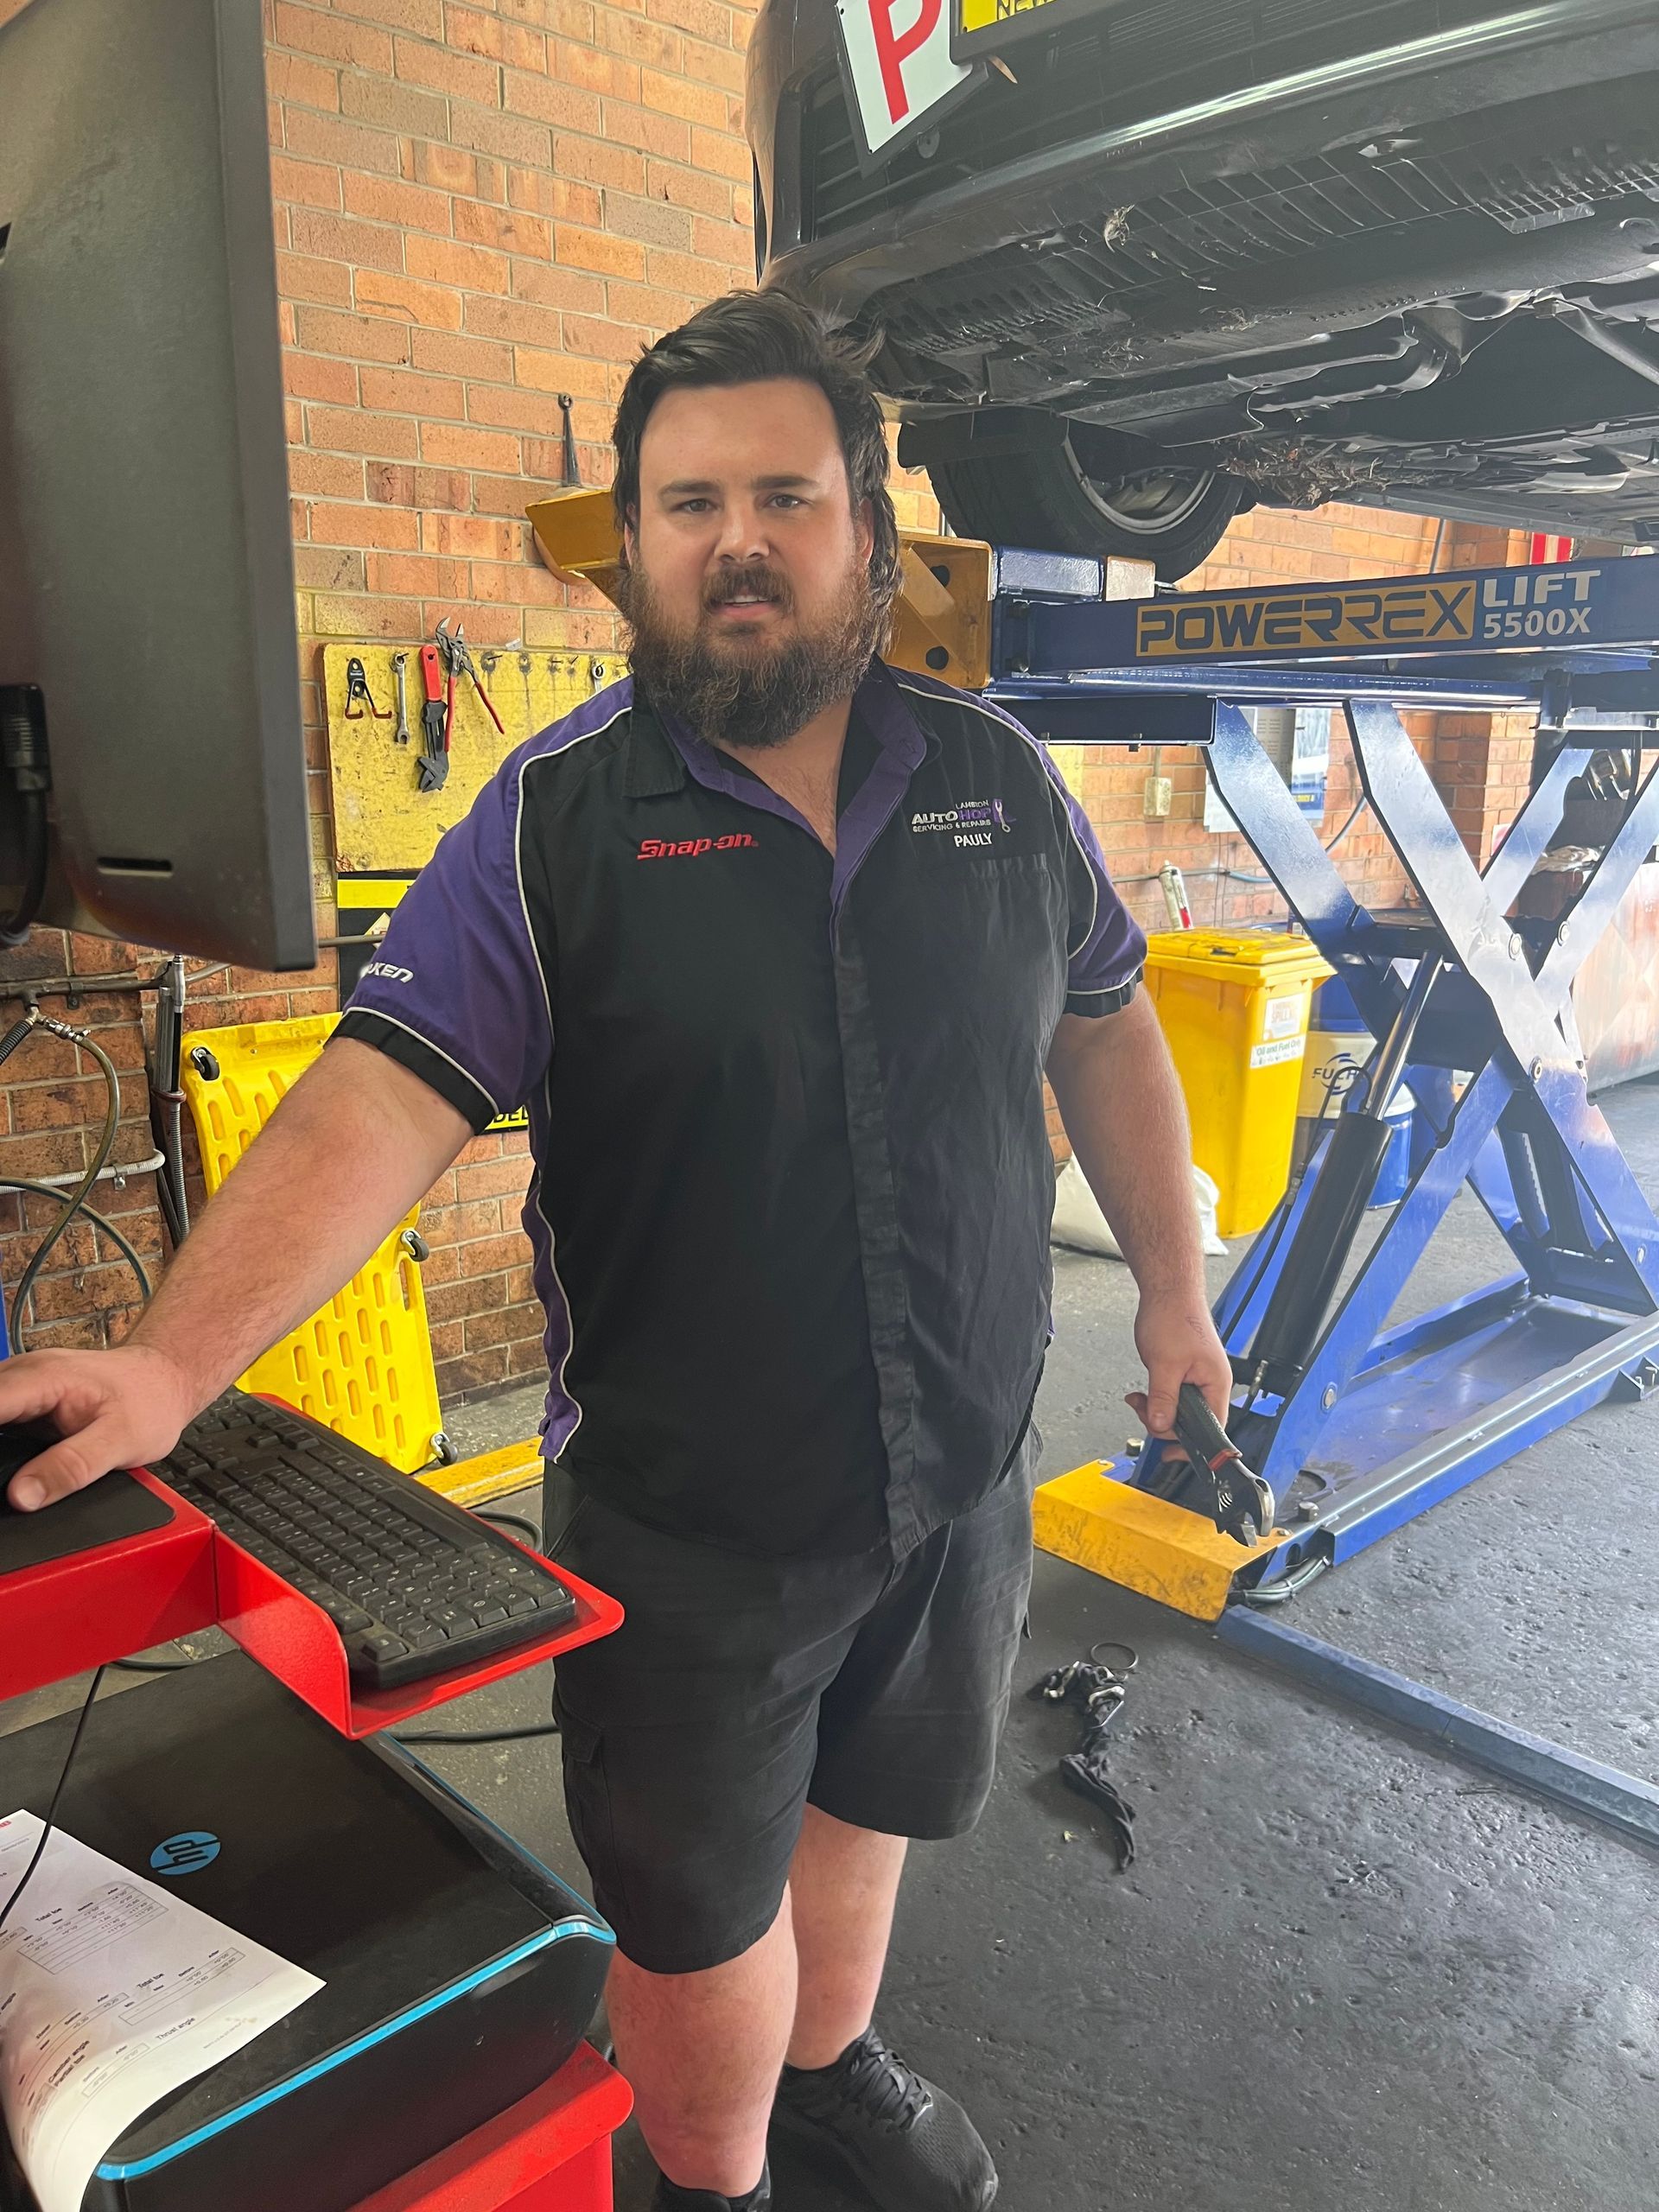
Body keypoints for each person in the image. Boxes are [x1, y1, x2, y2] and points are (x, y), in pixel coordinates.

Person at [0, 291, 1232, 2212]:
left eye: (781, 494)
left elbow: (1110, 1021)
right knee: (693, 1899)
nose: (734, 538)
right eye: (685, 503)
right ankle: (710, 2174)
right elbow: (375, 1102)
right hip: (696, 1514)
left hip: (964, 1470)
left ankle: (829, 2074)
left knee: (869, 1802)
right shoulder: (554, 821)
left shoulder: (1002, 784)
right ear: (638, 552)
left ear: (864, 530)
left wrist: (1170, 1284)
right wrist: (171, 1360)